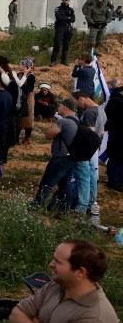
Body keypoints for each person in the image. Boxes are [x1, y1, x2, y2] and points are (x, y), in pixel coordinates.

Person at [33, 97, 80, 213]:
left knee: (47, 183)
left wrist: (55, 122)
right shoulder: (78, 121)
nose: (58, 107)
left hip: (59, 158)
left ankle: (36, 206)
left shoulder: (63, 121)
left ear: (65, 107)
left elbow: (49, 135)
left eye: (60, 105)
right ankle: (63, 210)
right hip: (71, 158)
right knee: (65, 185)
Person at [74, 91, 106, 226]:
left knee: (85, 177)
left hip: (88, 149)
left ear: (82, 98)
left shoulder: (89, 113)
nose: (78, 104)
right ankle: (92, 203)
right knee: (92, 175)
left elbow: (88, 134)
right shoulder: (100, 109)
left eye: (78, 101)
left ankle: (82, 206)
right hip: (95, 148)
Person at [14, 58, 37, 144]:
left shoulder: (31, 76)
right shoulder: (19, 74)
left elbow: (28, 90)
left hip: (28, 99)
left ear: (26, 66)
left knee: (28, 118)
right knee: (18, 117)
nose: (19, 66)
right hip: (19, 98)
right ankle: (16, 138)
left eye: (21, 64)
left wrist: (20, 83)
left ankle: (27, 137)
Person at [107, 80, 123, 192]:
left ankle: (118, 180)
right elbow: (109, 114)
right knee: (116, 157)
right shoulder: (116, 100)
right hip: (117, 134)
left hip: (117, 133)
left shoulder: (116, 98)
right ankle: (114, 181)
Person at [51, 0, 75, 65]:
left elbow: (73, 20)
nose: (66, 1)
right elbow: (59, 18)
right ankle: (53, 61)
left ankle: (64, 60)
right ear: (62, 0)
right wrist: (68, 18)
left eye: (67, 0)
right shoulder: (58, 8)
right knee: (57, 44)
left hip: (68, 28)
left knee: (66, 45)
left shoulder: (71, 10)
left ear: (69, 0)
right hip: (60, 28)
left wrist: (65, 18)